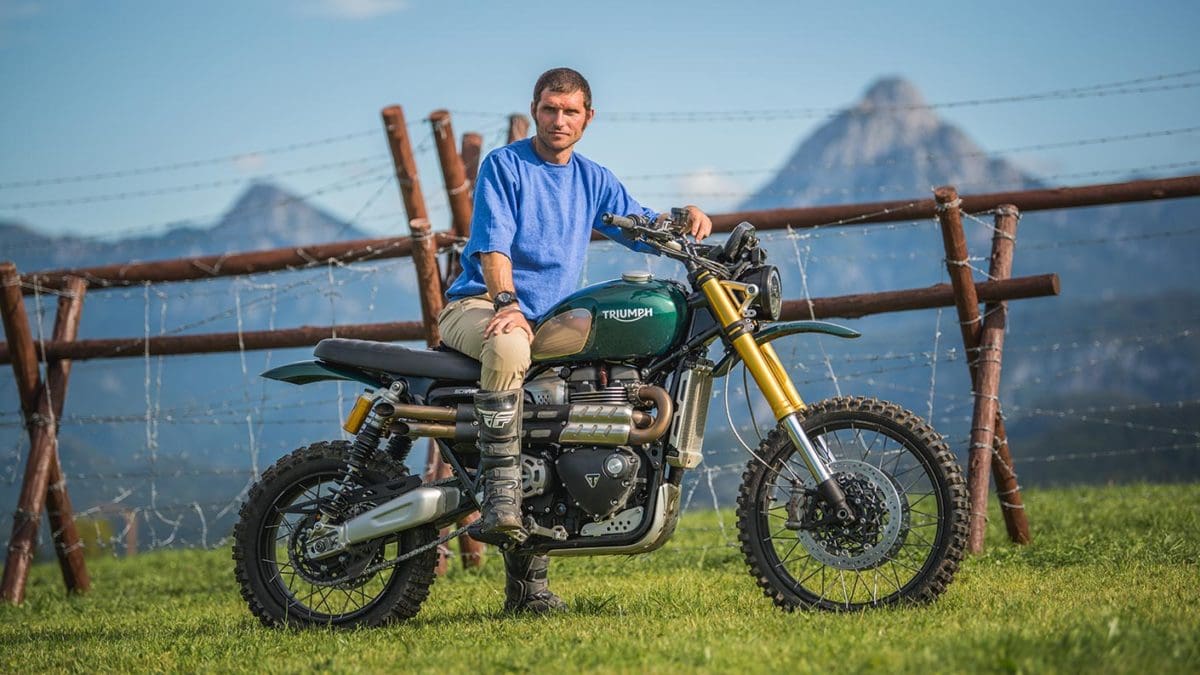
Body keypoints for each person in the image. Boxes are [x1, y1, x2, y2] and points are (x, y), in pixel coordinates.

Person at [439, 67, 712, 613]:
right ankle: (499, 498)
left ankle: (527, 590)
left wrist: (685, 221)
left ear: (588, 118)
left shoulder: (593, 178)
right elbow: (493, 247)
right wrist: (506, 304)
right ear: (535, 110)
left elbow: (638, 225)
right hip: (481, 307)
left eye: (570, 111)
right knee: (513, 347)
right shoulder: (506, 165)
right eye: (549, 109)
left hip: (546, 321)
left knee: (556, 420)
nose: (559, 120)